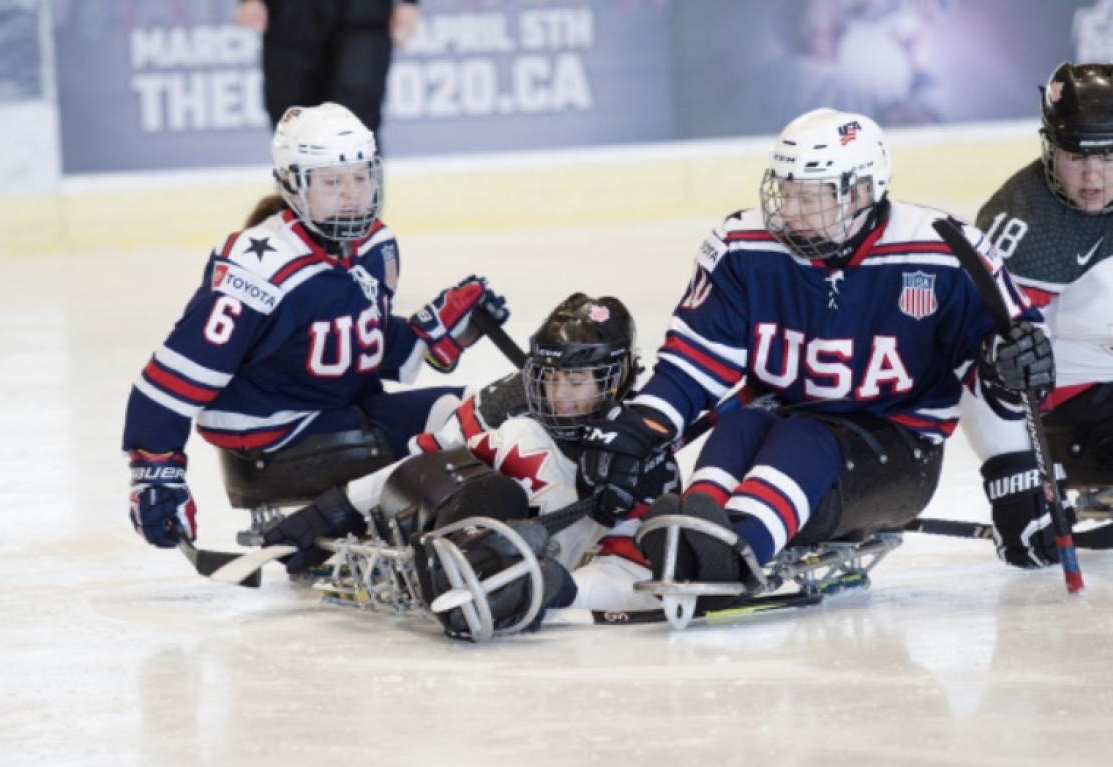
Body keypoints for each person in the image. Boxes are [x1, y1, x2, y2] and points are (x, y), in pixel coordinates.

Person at [576, 107, 1052, 607]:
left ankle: (739, 553)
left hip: (897, 454)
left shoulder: (944, 252)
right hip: (782, 427)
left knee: (804, 436)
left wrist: (1011, 365)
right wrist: (642, 426)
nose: (788, 211)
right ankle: (694, 529)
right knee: (739, 425)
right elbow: (696, 360)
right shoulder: (743, 246)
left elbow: (1005, 363)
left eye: (808, 196)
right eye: (785, 191)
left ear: (862, 192)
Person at [124, 101, 506, 550]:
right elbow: (173, 377)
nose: (351, 193)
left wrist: (429, 335)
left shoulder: (375, 245)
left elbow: (339, 348)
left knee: (488, 412)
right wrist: (157, 472)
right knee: (465, 428)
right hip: (278, 439)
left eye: (360, 177)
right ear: (293, 184)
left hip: (335, 411)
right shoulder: (256, 268)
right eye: (331, 181)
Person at [260, 293, 681, 636]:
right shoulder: (509, 404)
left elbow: (639, 578)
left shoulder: (641, 456)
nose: (559, 396)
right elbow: (425, 462)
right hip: (443, 554)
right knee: (478, 467)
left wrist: (560, 589)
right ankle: (446, 558)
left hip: (528, 580)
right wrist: (335, 508)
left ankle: (474, 564)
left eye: (576, 382)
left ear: (615, 378)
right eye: (551, 378)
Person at [958, 62, 1113, 569]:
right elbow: (984, 368)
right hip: (1067, 407)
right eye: (1074, 157)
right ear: (1049, 146)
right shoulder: (1022, 224)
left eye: (1109, 156)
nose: (1092, 177)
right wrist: (1017, 477)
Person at [236, 0, 420, 133]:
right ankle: (297, 184)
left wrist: (409, 2)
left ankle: (360, 184)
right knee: (292, 117)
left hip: (362, 14)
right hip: (291, 14)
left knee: (357, 118)